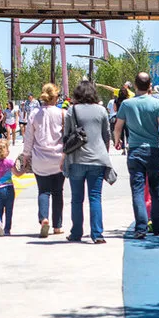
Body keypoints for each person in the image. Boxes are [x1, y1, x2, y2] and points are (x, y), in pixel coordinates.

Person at [114, 72, 159, 239]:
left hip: (135, 150)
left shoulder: (127, 104)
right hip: (154, 150)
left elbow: (118, 127)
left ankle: (140, 227)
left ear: (135, 84)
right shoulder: (157, 103)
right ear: (150, 85)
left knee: (138, 190)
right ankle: (158, 224)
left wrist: (117, 141)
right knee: (156, 189)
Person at [62, 80, 115, 244]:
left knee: (77, 198)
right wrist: (104, 153)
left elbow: (67, 135)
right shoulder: (101, 111)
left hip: (77, 159)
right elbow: (107, 134)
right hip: (97, 158)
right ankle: (97, 234)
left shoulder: (72, 110)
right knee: (95, 197)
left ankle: (76, 232)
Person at [16, 82, 65, 237]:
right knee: (58, 192)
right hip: (58, 159)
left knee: (43, 191)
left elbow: (29, 138)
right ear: (55, 96)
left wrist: (25, 157)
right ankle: (57, 226)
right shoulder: (62, 113)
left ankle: (44, 219)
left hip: (40, 159)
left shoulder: (34, 114)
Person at [0, 139, 15, 236]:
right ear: (6, 151)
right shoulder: (10, 162)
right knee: (9, 210)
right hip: (9, 189)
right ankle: (7, 229)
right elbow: (17, 173)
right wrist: (24, 170)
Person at [114, 87, 131, 153]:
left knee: (121, 133)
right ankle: (128, 144)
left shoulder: (116, 100)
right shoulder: (128, 100)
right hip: (127, 118)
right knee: (128, 133)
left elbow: (115, 109)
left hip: (119, 118)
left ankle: (123, 148)